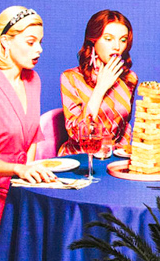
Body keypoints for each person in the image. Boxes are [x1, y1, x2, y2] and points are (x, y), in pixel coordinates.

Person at [0, 5, 58, 261]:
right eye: (31, 42)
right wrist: (20, 171)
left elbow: (31, 138)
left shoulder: (33, 81)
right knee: (33, 221)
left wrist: (28, 178)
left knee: (52, 214)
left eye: (40, 42)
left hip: (16, 185)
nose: (39, 49)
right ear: (5, 41)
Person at [59, 9, 137, 156]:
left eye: (123, 39)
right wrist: (101, 88)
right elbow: (76, 134)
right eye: (108, 38)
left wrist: (121, 159)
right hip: (79, 159)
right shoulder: (71, 78)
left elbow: (125, 127)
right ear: (93, 40)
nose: (117, 46)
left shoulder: (129, 79)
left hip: (112, 159)